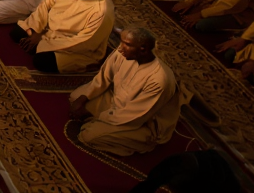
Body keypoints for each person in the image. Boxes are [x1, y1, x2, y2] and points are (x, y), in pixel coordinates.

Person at [68, 28, 188, 156]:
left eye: (127, 45)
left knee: (89, 136)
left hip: (142, 122)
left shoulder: (158, 80)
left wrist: (96, 117)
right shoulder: (125, 52)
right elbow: (102, 78)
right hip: (115, 103)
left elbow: (134, 116)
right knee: (75, 98)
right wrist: (83, 98)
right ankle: (99, 122)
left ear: (143, 49)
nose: (120, 49)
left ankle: (143, 143)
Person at [11, 0, 115, 73]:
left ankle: (87, 65)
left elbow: (84, 42)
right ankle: (37, 44)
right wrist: (38, 29)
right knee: (16, 33)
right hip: (47, 30)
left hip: (73, 46)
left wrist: (42, 41)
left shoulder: (101, 11)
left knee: (41, 61)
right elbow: (46, 5)